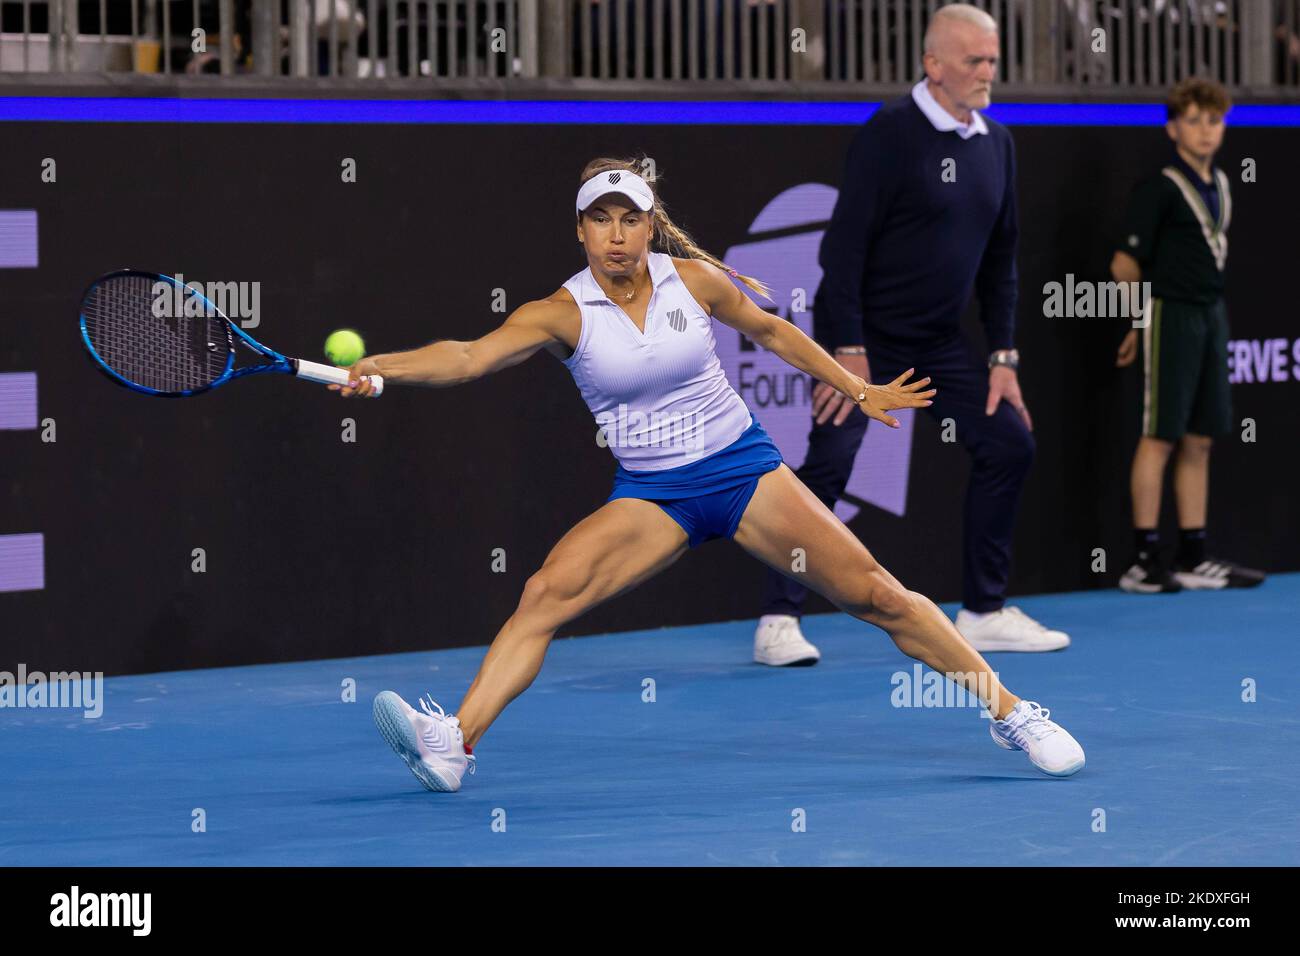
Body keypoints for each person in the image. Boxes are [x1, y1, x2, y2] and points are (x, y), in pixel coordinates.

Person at [333, 160, 1086, 792]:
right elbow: (469, 357)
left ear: (650, 226)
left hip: (742, 470)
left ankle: (1011, 712)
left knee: (880, 596)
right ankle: (455, 743)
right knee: (544, 595)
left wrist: (857, 388)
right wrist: (382, 369)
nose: (616, 234)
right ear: (580, 231)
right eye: (601, 220)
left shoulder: (694, 282)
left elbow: (772, 330)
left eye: (630, 219)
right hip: (655, 495)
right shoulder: (559, 313)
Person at [753, 3, 1069, 670]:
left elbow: (1001, 261)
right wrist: (847, 350)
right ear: (933, 64)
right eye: (974, 61)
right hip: (865, 339)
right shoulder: (890, 133)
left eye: (992, 60)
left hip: (939, 343)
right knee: (830, 465)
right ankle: (778, 618)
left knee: (1009, 443)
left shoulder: (998, 144)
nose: (987, 73)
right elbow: (842, 251)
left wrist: (1004, 356)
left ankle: (983, 612)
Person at [1113, 77, 1266, 593]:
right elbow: (1123, 264)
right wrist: (1138, 320)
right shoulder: (1160, 187)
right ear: (1173, 128)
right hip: (1169, 315)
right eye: (1194, 120)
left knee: (1200, 438)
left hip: (1211, 315)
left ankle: (1193, 555)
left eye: (1214, 121)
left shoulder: (1221, 182)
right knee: (1160, 436)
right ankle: (1144, 560)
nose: (1206, 130)